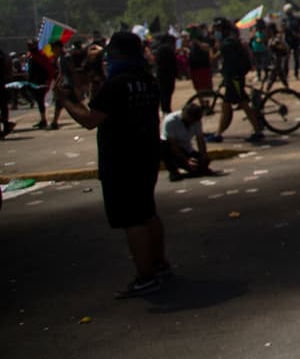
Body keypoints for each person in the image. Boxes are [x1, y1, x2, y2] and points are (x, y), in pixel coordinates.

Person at [57, 32, 170, 297]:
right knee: (148, 211)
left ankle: (146, 277)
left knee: (132, 219)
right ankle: (159, 264)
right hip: (146, 153)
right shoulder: (147, 80)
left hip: (122, 159)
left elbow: (90, 119)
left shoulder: (116, 85)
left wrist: (67, 101)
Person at [211, 20, 265, 143]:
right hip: (235, 78)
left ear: (223, 30)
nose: (216, 33)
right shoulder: (230, 42)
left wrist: (211, 48)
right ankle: (219, 133)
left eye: (217, 30)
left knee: (237, 104)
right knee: (235, 104)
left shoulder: (227, 44)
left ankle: (257, 131)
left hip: (234, 79)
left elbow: (216, 59)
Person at [160, 101, 213, 181]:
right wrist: (186, 161)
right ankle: (173, 171)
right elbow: (173, 146)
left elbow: (200, 140)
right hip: (172, 149)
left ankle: (196, 168)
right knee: (164, 146)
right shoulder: (171, 121)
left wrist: (203, 155)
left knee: (201, 162)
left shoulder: (196, 121)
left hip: (186, 148)